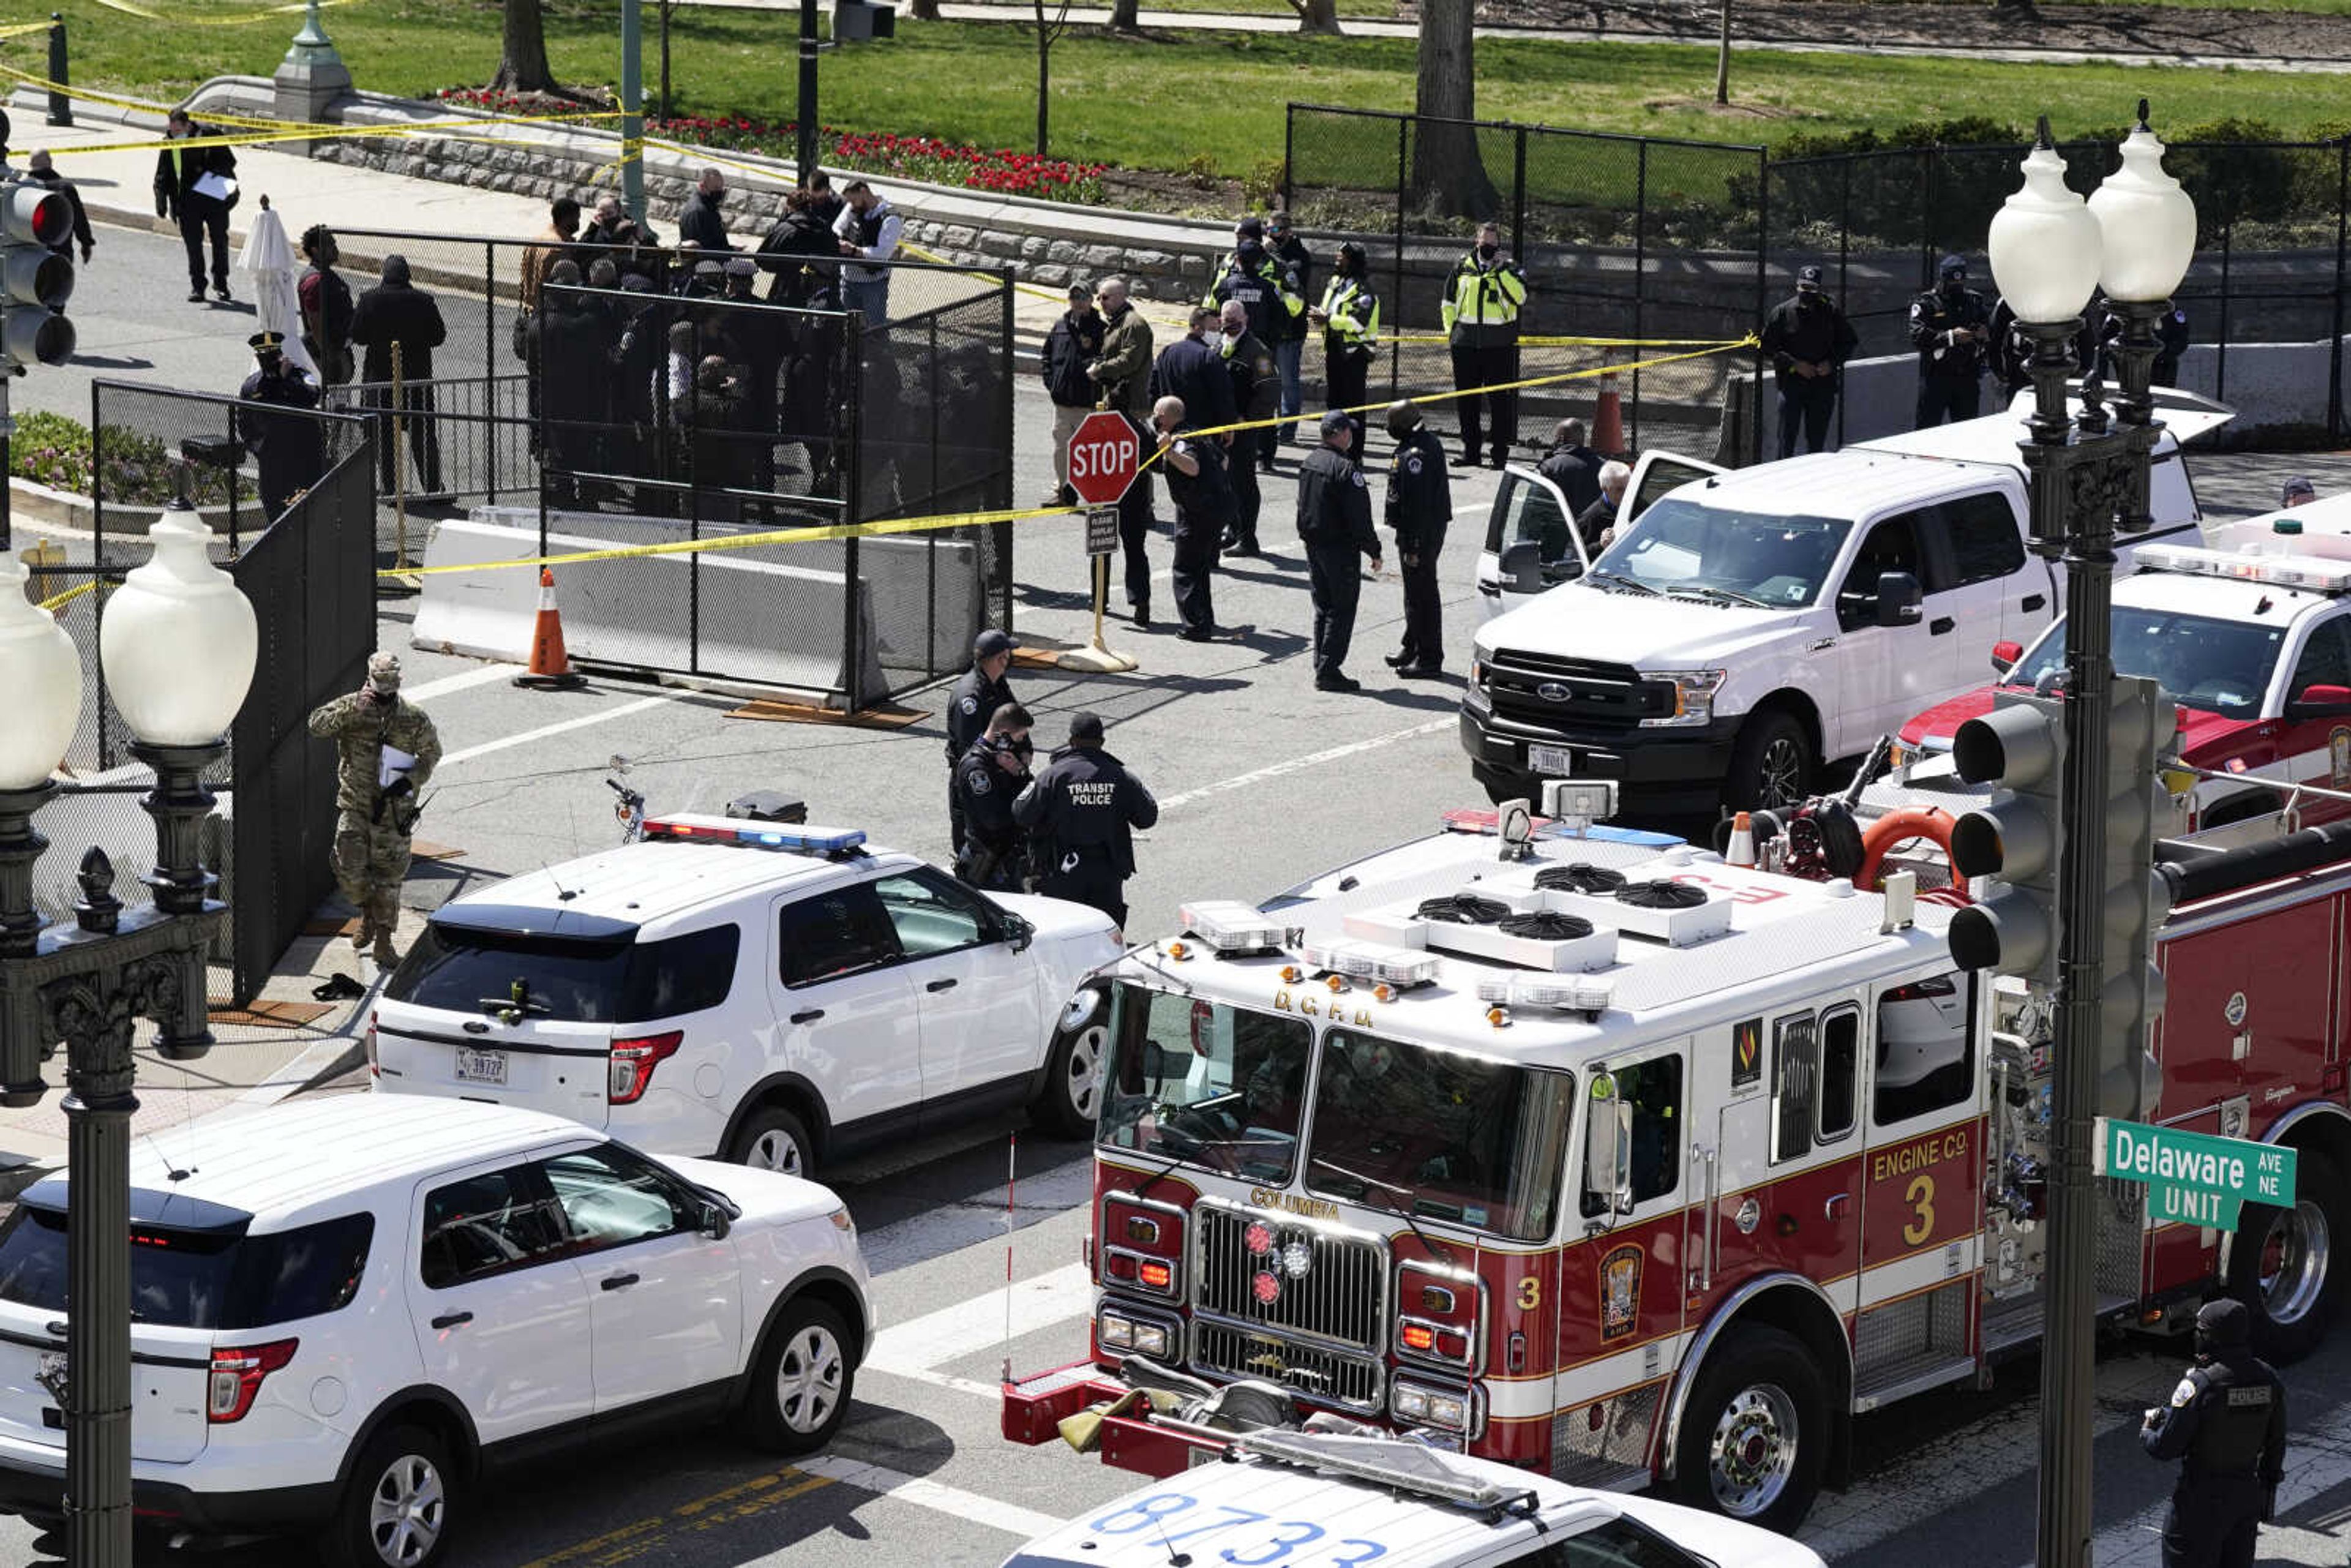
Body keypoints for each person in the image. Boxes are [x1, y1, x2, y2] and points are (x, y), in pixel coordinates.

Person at [308, 653, 441, 968]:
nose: (384, 695)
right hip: (356, 804)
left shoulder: (412, 717)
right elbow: (316, 725)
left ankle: (383, 941)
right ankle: (368, 910)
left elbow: (431, 754)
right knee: (347, 865)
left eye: (390, 689)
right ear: (369, 680)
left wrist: (407, 782)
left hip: (393, 811)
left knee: (390, 876)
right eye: (380, 688)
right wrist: (352, 708)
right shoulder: (353, 707)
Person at [2140, 1298, 2286, 1568]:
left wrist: (2148, 1429)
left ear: (2211, 1338)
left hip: (2200, 1503)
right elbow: (2276, 1443)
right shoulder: (2268, 1378)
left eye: (2200, 1331)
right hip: (2245, 1499)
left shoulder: (2201, 1384)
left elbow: (2165, 1447)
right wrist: (2266, 1492)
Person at [1013, 710, 1158, 931]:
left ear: (1071, 741)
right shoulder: (1120, 776)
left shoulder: (1052, 776)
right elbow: (1147, 817)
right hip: (1106, 872)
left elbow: (1022, 813)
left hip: (1062, 872)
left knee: (1063, 933)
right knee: (1105, 936)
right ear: (1102, 742)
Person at [1295, 408, 1382, 692]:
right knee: (1341, 609)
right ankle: (1329, 670)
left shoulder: (1310, 461)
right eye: (1349, 431)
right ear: (1341, 433)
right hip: (1339, 549)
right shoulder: (1345, 469)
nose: (1352, 436)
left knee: (1323, 606)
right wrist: (1373, 550)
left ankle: (1321, 660)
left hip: (1314, 544)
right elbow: (1359, 516)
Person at [350, 254, 448, 496]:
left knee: (382, 435)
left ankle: (391, 488)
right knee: (423, 435)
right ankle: (433, 488)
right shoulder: (424, 301)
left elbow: (358, 335)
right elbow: (438, 336)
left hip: (380, 380)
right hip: (416, 380)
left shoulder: (369, 300)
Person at [1089, 278, 1157, 624]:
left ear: (1120, 297)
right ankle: (1098, 599)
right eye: (1098, 296)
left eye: (1105, 297)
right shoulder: (1115, 324)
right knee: (1102, 532)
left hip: (1130, 414)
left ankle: (1139, 601)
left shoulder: (1134, 326)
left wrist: (1099, 370)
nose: (1100, 301)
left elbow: (1129, 362)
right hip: (1113, 420)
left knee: (1131, 536)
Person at [1442, 221, 1527, 468]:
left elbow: (1521, 297)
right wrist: (1452, 333)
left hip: (1498, 346)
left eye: (1493, 242)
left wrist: (1501, 271)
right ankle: (1471, 452)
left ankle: (1499, 456)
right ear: (1476, 241)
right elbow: (1448, 302)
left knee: (1500, 403)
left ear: (1498, 244)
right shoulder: (1462, 267)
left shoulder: (1511, 268)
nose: (1488, 246)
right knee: (1467, 401)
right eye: (1484, 241)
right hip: (1465, 344)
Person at [1154, 394, 1237, 642]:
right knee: (1200, 566)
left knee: (1185, 569)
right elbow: (1224, 460)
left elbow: (1192, 467)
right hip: (1218, 507)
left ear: (1165, 418)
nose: (1155, 419)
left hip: (1198, 512)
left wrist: (1168, 451)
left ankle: (1195, 626)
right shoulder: (1195, 432)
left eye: (1158, 415)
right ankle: (1205, 618)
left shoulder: (1179, 441)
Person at [1761, 264, 1859, 457]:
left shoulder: (1831, 312)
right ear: (1797, 286)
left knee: (1816, 442)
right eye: (1804, 287)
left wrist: (1831, 363)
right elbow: (1767, 346)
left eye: (1812, 288)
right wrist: (1795, 364)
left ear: (1819, 289)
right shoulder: (1782, 312)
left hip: (1822, 386)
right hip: (1792, 385)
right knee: (1787, 440)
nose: (1807, 292)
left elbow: (1849, 342)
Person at [1384, 399, 1450, 678]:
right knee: (1414, 594)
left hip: (1420, 533)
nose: (1389, 429)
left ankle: (1429, 658)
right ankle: (1412, 645)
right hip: (1421, 530)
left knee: (1422, 596)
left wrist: (1413, 545)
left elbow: (1417, 507)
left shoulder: (1416, 454)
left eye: (1391, 424)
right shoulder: (1422, 442)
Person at [1203, 218, 1303, 400]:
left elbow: (1296, 303)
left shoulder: (1276, 265)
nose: (1238, 242)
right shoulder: (1229, 261)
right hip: (1230, 340)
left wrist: (1272, 316)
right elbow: (1212, 297)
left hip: (1263, 341)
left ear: (1255, 239)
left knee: (1263, 388)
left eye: (1241, 237)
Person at [235, 331, 324, 522]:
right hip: (273, 461)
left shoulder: (299, 375)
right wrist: (260, 449)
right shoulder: (252, 386)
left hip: (304, 458)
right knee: (275, 515)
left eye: (273, 358)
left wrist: (285, 379)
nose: (270, 363)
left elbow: (312, 395)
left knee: (308, 515)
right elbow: (244, 422)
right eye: (265, 359)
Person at [947, 628, 1019, 858]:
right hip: (974, 779)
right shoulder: (971, 697)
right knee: (975, 849)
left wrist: (1023, 751)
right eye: (1008, 655)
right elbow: (971, 749)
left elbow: (1014, 717)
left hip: (997, 772)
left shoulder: (997, 683)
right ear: (1001, 658)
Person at [152, 109, 237, 304]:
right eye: (171, 131)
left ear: (188, 125)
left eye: (177, 130)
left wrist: (210, 173)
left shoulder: (210, 135)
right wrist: (161, 200)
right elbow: (163, 174)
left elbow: (230, 161)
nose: (174, 134)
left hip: (213, 197)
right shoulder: (169, 142)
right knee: (193, 246)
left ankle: (221, 282)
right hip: (187, 202)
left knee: (220, 241)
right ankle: (198, 286)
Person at [1216, 299, 1279, 556]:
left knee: (1244, 482)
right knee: (1226, 482)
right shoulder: (1219, 344)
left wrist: (1247, 419)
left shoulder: (1258, 352)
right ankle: (1233, 530)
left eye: (1234, 321)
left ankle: (1248, 538)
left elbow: (1270, 391)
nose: (1229, 325)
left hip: (1244, 427)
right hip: (1221, 428)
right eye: (1225, 320)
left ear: (1246, 320)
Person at [954, 701, 1035, 893]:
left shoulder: (1003, 759)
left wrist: (1019, 773)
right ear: (1005, 734)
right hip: (987, 864)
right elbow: (994, 819)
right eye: (1020, 736)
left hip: (1006, 858)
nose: (1022, 742)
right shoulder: (977, 768)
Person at [1310, 242, 1379, 463]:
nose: (1337, 261)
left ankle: (1355, 455)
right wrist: (1319, 316)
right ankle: (1334, 450)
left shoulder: (1364, 291)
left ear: (1353, 262)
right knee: (1335, 403)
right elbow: (1327, 310)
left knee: (1354, 407)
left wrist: (1329, 319)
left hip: (1354, 355)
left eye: (1342, 258)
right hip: (1334, 350)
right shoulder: (1335, 284)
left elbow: (1359, 323)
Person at [1042, 279, 1106, 507]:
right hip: (1062, 404)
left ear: (1091, 300)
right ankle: (1063, 493)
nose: (1077, 302)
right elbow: (1047, 356)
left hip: (1086, 404)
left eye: (1082, 297)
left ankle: (1092, 496)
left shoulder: (1099, 329)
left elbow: (1105, 361)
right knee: (1061, 450)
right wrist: (1052, 383)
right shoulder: (1060, 326)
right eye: (1073, 298)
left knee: (1087, 452)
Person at [1910, 253, 1991, 430]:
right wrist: (1951, 337)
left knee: (1966, 431)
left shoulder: (1974, 301)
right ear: (1943, 279)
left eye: (1961, 283)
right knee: (1927, 429)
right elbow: (1918, 336)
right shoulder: (1927, 303)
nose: (1957, 287)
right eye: (1953, 283)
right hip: (1937, 378)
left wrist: (1983, 333)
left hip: (1967, 376)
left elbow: (1988, 328)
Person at [1149, 307, 1238, 439]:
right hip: (1201, 434)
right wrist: (1227, 426)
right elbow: (1223, 396)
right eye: (1213, 330)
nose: (1218, 334)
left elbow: (1152, 388)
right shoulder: (1208, 357)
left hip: (1168, 429)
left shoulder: (1167, 352)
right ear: (1196, 328)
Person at [1267, 211, 1312, 454]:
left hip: (1291, 331)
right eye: (1268, 230)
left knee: (1288, 382)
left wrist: (1272, 252)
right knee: (1269, 381)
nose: (1270, 235)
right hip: (1271, 329)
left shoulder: (1299, 256)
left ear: (1287, 232)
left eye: (1275, 230)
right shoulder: (1268, 253)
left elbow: (1291, 277)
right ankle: (1271, 426)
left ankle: (1288, 430)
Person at [834, 179, 903, 324]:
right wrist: (842, 237)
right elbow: (837, 228)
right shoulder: (854, 208)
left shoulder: (890, 218)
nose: (851, 205)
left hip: (873, 284)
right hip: (848, 280)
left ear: (863, 192)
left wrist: (854, 250)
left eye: (854, 200)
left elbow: (882, 254)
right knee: (848, 328)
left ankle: (877, 348)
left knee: (875, 329)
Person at [297, 225, 356, 388]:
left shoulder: (326, 275)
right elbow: (314, 322)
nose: (335, 249)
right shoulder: (315, 281)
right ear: (316, 250)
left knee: (339, 403)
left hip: (336, 350)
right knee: (329, 404)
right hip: (325, 357)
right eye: (331, 245)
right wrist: (328, 356)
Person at [757, 188, 838, 307]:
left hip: (786, 289)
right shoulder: (824, 228)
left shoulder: (785, 229)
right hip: (821, 290)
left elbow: (762, 259)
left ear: (791, 207)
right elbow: (835, 252)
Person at [23, 151, 92, 266]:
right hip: (62, 253)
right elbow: (79, 219)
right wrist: (86, 244)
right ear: (51, 162)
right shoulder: (66, 188)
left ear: (30, 164)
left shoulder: (23, 188)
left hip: (31, 255)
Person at [582, 194, 662, 284]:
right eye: (602, 215)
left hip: (633, 283)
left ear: (619, 211)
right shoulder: (595, 232)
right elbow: (581, 253)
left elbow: (652, 258)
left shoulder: (633, 230)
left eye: (609, 214)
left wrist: (641, 240)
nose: (606, 218)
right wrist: (591, 228)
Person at [520, 195, 581, 312]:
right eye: (576, 219)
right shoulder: (560, 248)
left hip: (530, 307)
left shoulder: (536, 240)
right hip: (549, 312)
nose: (578, 223)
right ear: (567, 219)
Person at [1535, 418, 1603, 520]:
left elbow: (1537, 507)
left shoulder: (1549, 466)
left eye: (1555, 437)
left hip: (1561, 530)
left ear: (1561, 439)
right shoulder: (1604, 466)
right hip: (1593, 531)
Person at [1577, 459, 1630, 555]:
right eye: (1620, 489)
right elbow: (1578, 555)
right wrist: (1601, 545)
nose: (1626, 493)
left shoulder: (1638, 505)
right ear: (1605, 489)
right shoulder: (1591, 518)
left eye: (1629, 487)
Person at [678, 167, 732, 252]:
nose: (720, 192)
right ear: (702, 187)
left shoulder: (709, 205)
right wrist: (730, 250)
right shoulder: (697, 211)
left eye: (722, 189)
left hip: (717, 258)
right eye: (716, 188)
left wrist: (730, 249)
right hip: (705, 262)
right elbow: (704, 247)